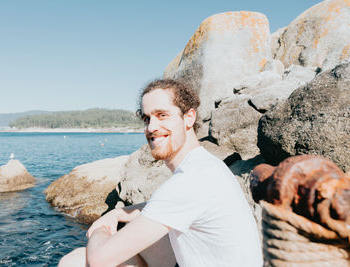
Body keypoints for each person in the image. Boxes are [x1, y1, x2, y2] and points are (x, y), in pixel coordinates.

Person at [59, 79, 262, 267]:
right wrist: (117, 213)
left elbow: (99, 260)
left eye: (162, 115)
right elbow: (162, 206)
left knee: (76, 261)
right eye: (147, 118)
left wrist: (100, 227)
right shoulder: (205, 165)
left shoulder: (191, 180)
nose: (152, 127)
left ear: (188, 118)